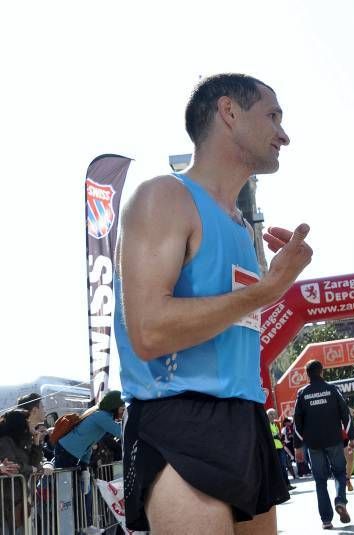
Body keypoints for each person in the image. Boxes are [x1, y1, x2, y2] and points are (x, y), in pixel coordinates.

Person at [114, 73, 311, 535]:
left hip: (246, 419)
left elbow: (231, 321)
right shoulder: (164, 196)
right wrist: (267, 289)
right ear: (229, 112)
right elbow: (148, 331)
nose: (284, 134)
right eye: (273, 116)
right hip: (181, 419)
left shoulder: (242, 228)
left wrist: (270, 285)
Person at [293, 360, 354, 530]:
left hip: (313, 445)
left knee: (320, 481)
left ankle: (326, 520)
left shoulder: (302, 394)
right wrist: (352, 437)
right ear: (322, 372)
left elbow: (297, 423)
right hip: (334, 440)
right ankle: (340, 501)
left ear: (307, 375)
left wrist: (297, 446)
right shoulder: (332, 389)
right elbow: (345, 414)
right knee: (340, 474)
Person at [53, 390, 124, 469]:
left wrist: (85, 461)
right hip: (67, 451)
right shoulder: (102, 416)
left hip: (68, 450)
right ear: (115, 406)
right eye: (122, 408)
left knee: (65, 479)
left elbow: (90, 442)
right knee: (63, 480)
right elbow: (122, 433)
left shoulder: (99, 413)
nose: (123, 412)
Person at [266, 409, 295, 491]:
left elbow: (278, 435)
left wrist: (279, 438)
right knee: (278, 468)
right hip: (273, 449)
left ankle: (287, 484)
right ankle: (281, 486)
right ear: (267, 415)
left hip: (280, 447)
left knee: (283, 466)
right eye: (271, 414)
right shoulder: (266, 424)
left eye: (274, 414)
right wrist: (276, 436)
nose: (273, 416)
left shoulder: (274, 424)